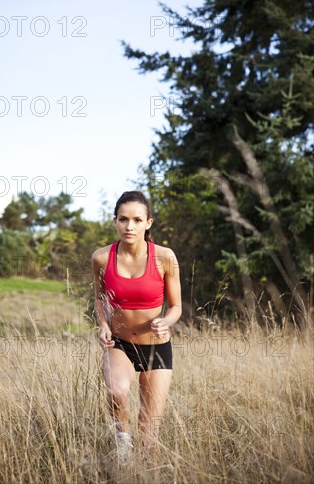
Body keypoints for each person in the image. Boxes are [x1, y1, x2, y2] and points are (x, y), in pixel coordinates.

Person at [92, 190, 182, 464]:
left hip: (156, 349)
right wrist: (104, 325)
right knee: (117, 392)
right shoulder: (101, 258)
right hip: (120, 344)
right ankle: (122, 442)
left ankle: (144, 468)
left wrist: (166, 322)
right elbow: (99, 298)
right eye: (123, 219)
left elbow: (176, 306)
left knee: (149, 437)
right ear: (115, 221)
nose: (129, 226)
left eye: (136, 220)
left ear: (148, 223)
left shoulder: (165, 257)